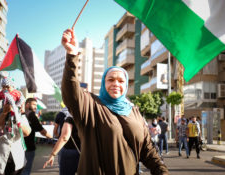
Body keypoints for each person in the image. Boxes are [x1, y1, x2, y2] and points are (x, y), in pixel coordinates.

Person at [60, 29, 168, 174]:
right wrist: (72, 55)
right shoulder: (91, 105)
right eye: (110, 80)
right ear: (103, 83)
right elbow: (71, 92)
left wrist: (162, 171)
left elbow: (147, 150)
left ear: (125, 85)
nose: (116, 84)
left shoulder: (134, 111)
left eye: (121, 81)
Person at [0, 93, 31, 175]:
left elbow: (27, 132)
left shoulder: (21, 118)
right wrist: (4, 113)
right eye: (9, 103)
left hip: (16, 163)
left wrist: (16, 117)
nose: (11, 105)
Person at [21, 98, 53, 175]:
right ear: (27, 104)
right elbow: (42, 131)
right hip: (28, 147)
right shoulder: (31, 115)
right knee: (26, 169)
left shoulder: (20, 113)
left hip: (19, 146)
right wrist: (51, 137)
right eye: (34, 104)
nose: (36, 107)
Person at [43, 111, 80, 175]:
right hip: (87, 152)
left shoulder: (68, 115)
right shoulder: (92, 113)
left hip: (69, 150)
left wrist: (53, 154)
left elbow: (64, 137)